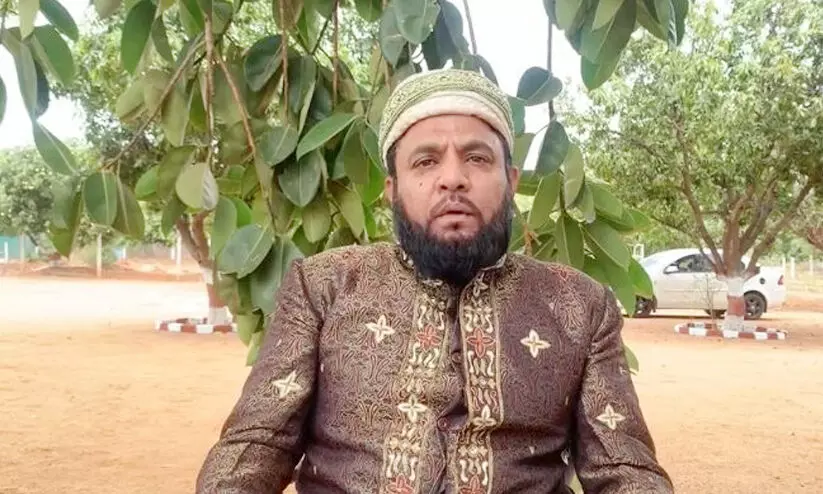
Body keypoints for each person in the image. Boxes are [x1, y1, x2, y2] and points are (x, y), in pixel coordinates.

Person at [195, 68, 673, 493]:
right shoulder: (325, 285)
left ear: (510, 181)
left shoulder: (579, 305)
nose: (452, 179)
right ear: (392, 189)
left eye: (477, 159)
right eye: (425, 161)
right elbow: (255, 445)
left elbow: (624, 468)